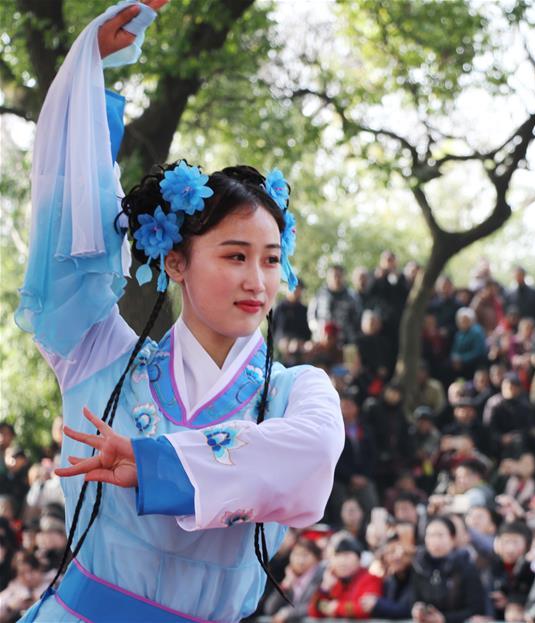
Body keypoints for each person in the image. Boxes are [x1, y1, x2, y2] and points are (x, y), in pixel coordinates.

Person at [13, 4, 344, 621]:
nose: (257, 280)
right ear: (175, 262)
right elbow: (70, 244)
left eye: (271, 260)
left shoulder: (299, 392)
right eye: (235, 255)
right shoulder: (101, 356)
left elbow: (309, 461)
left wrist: (155, 462)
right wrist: (93, 70)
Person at [410, 516, 486, 623]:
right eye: (430, 535)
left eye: (440, 535)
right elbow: (414, 599)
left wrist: (444, 619)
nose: (435, 540)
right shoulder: (419, 566)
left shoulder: (466, 566)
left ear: (452, 538)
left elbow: (476, 609)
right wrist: (417, 609)